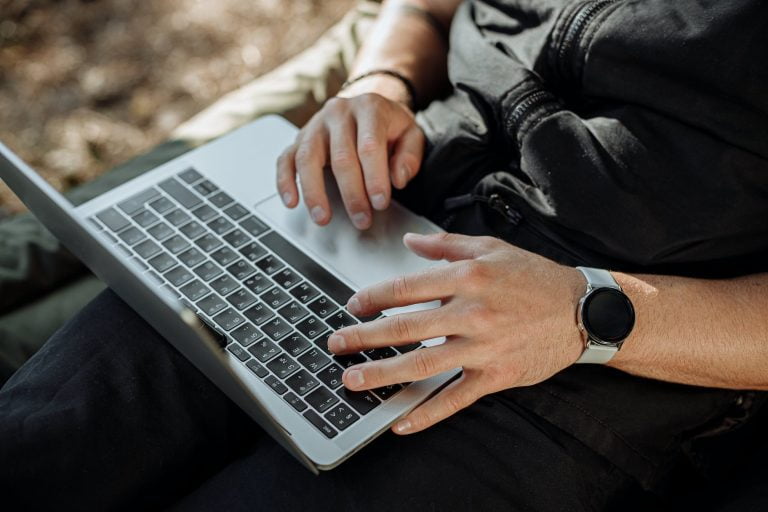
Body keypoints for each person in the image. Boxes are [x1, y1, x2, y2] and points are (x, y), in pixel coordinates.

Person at [1, 0, 767, 510]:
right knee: (35, 448)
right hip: (360, 210)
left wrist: (586, 313)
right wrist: (381, 81)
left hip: (578, 368)